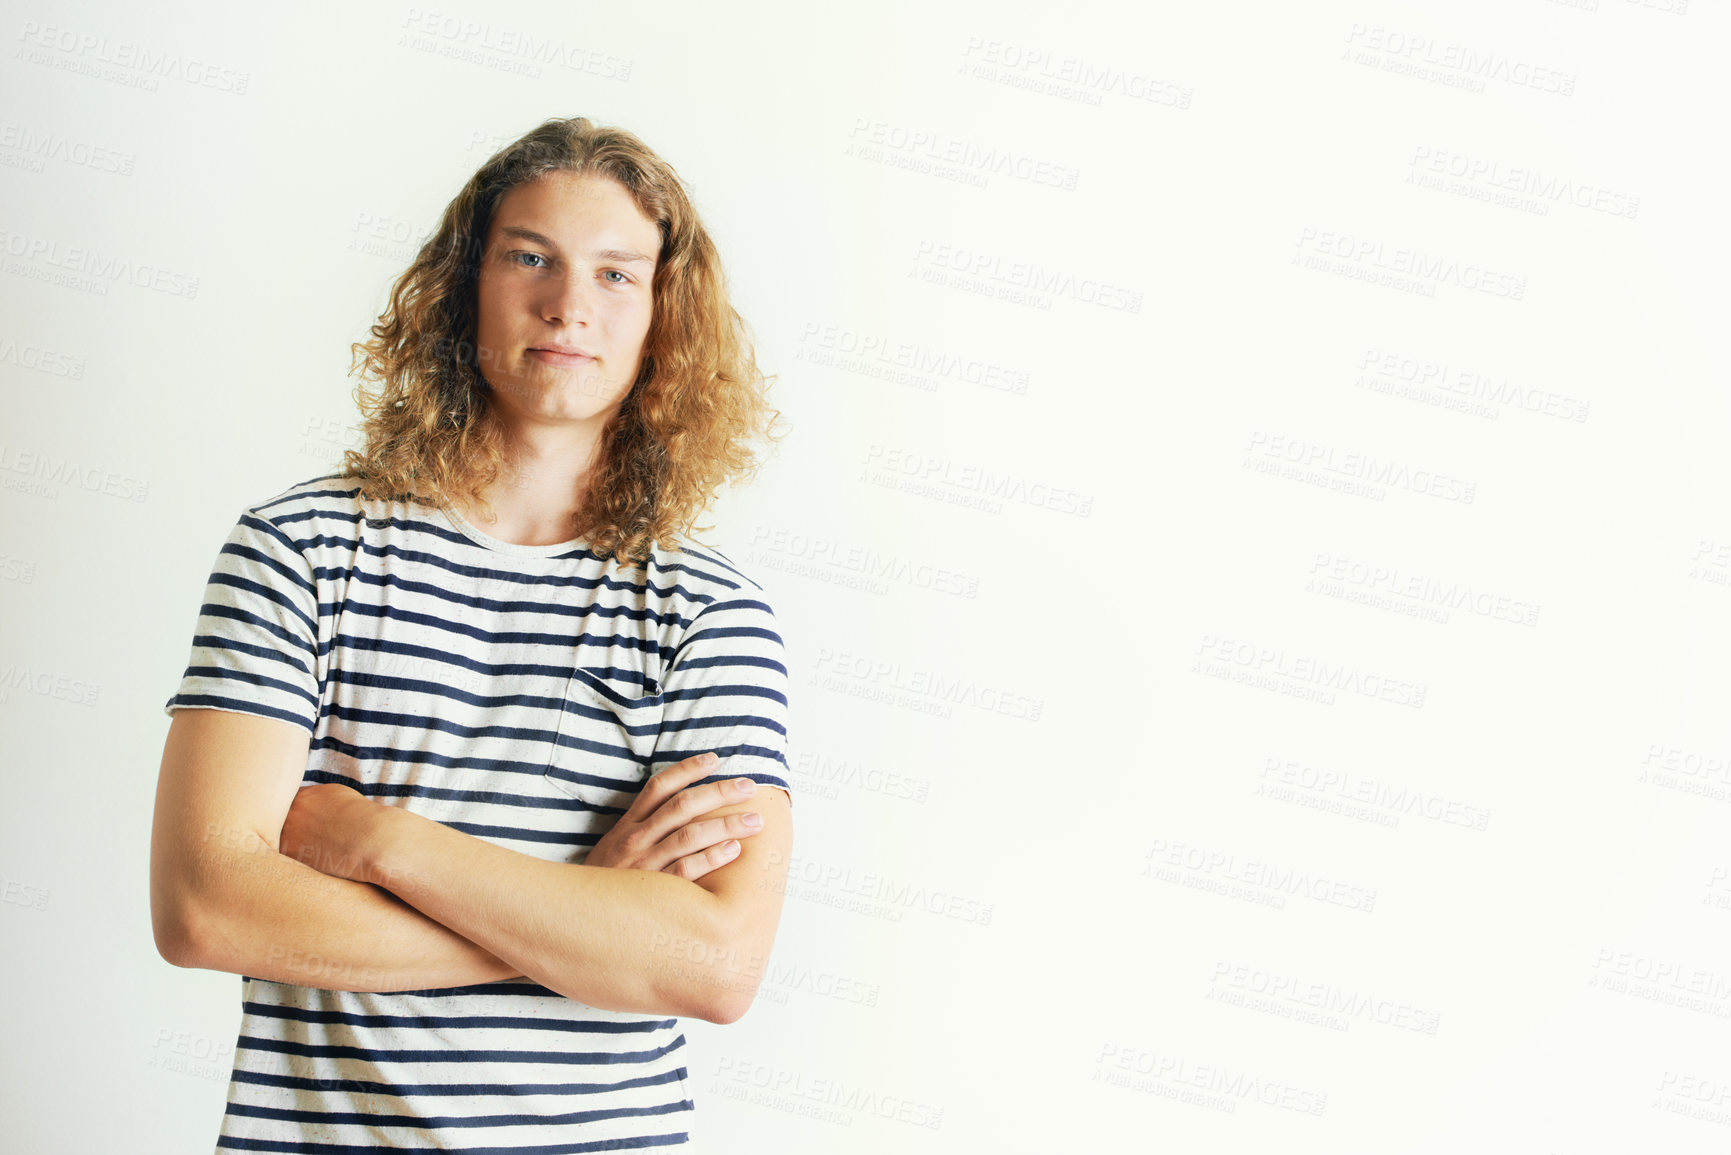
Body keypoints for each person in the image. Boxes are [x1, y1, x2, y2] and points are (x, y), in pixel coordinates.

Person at [150, 115, 794, 1150]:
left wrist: (382, 843)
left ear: (663, 319)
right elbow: (206, 909)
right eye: (529, 256)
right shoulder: (300, 553)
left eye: (617, 274)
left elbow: (713, 967)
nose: (569, 304)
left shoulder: (710, 612)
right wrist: (589, 919)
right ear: (465, 286)